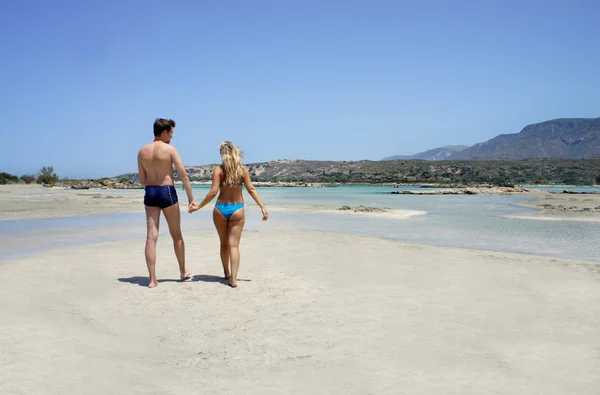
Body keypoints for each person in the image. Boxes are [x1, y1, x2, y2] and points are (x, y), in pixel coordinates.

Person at [189, 141, 268, 288]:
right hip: (237, 209)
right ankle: (234, 279)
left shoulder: (218, 170)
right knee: (234, 245)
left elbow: (213, 192)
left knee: (224, 243)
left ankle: (226, 272)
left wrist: (199, 206)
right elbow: (251, 189)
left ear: (222, 155)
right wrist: (262, 207)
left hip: (220, 209)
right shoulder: (242, 170)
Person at [137, 118, 196, 288]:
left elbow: (142, 179)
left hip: (150, 192)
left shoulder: (142, 151)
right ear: (164, 132)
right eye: (171, 133)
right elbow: (183, 175)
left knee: (151, 236)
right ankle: (183, 271)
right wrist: (191, 199)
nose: (171, 136)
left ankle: (152, 279)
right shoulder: (169, 149)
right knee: (176, 234)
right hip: (166, 192)